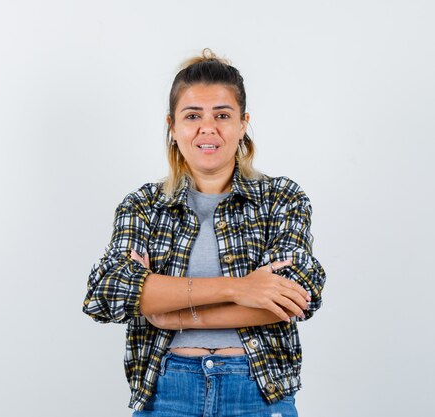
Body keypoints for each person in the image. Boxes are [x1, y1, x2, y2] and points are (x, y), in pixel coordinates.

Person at [82, 48, 326, 417]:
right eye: (192, 115)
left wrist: (170, 312)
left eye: (222, 115)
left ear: (243, 123)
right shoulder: (144, 205)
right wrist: (240, 289)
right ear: (173, 126)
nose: (207, 128)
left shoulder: (282, 199)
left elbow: (295, 297)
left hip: (257, 391)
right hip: (167, 391)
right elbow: (109, 292)